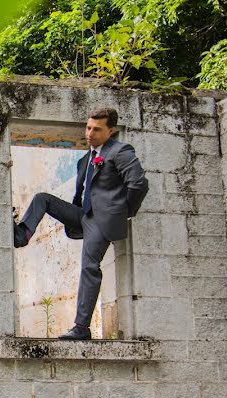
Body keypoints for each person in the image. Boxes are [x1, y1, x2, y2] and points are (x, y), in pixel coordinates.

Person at [12, 107, 149, 340]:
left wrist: (123, 212)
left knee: (89, 267)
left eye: (97, 129)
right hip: (83, 215)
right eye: (88, 127)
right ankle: (22, 234)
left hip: (101, 220)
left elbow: (138, 184)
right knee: (42, 199)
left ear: (111, 130)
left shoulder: (120, 151)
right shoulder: (86, 159)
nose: (90, 133)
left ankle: (82, 328)